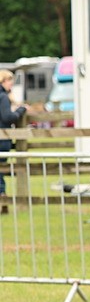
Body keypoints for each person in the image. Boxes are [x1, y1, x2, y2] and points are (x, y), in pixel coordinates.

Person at [0, 70, 28, 211]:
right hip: (2, 139)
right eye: (9, 80)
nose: (11, 83)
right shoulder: (3, 97)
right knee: (0, 170)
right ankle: (2, 198)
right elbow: (7, 117)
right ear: (3, 81)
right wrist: (20, 110)